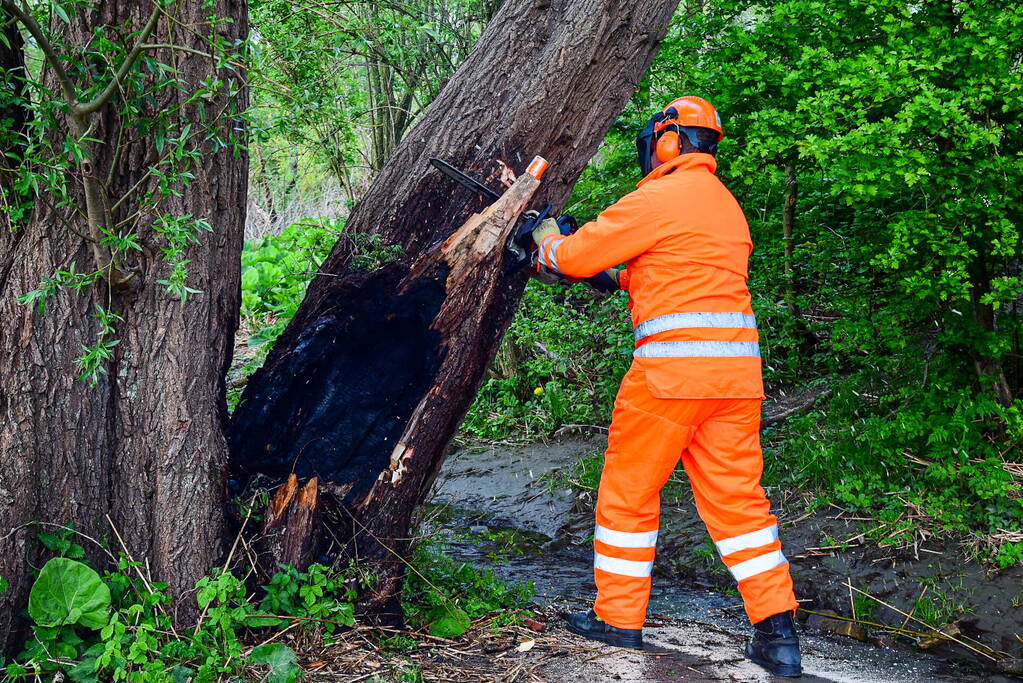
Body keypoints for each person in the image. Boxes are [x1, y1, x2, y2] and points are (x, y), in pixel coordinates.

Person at [531, 96, 802, 678]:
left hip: (670, 380)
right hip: (734, 383)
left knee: (629, 493)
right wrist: (619, 276)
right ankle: (778, 634)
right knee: (741, 506)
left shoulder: (657, 196)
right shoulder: (726, 207)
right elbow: (675, 270)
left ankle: (619, 621)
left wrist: (547, 238)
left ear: (669, 140)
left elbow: (574, 257)